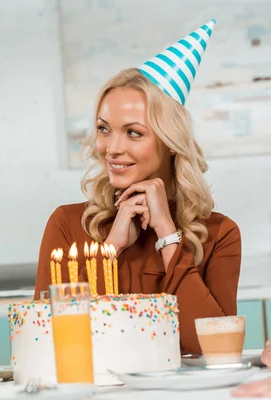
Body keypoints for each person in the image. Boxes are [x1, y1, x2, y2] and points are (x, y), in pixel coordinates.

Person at [33, 19, 241, 355]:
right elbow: (48, 345)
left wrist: (167, 236)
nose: (111, 148)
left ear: (171, 141)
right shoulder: (68, 225)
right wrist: (110, 249)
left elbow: (214, 350)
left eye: (133, 132)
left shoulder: (219, 234)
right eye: (104, 129)